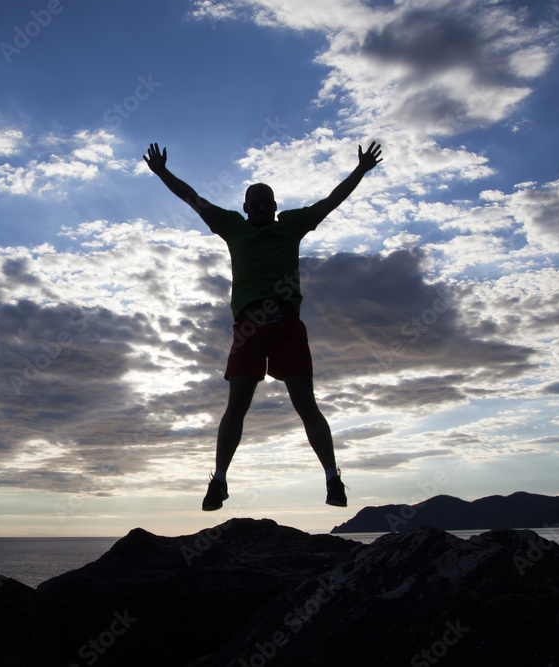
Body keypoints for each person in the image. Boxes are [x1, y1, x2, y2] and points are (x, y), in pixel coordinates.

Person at [143, 140, 383, 510]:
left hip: (287, 324)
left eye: (266, 203)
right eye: (253, 203)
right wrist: (161, 173)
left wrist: (360, 171)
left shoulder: (292, 225)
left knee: (305, 402)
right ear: (245, 207)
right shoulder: (232, 227)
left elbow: (330, 202)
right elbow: (192, 198)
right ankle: (219, 482)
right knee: (236, 404)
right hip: (248, 328)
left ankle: (333, 479)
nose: (260, 207)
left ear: (274, 206)